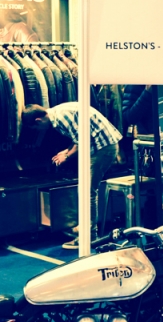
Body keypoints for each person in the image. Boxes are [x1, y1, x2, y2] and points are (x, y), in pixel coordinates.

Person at [24, 102, 122, 249]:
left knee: (88, 192)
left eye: (36, 128)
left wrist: (67, 156)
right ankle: (85, 227)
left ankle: (89, 236)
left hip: (103, 147)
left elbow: (82, 139)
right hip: (101, 146)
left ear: (38, 120)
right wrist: (67, 150)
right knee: (84, 190)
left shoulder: (61, 118)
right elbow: (79, 136)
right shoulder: (58, 114)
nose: (39, 131)